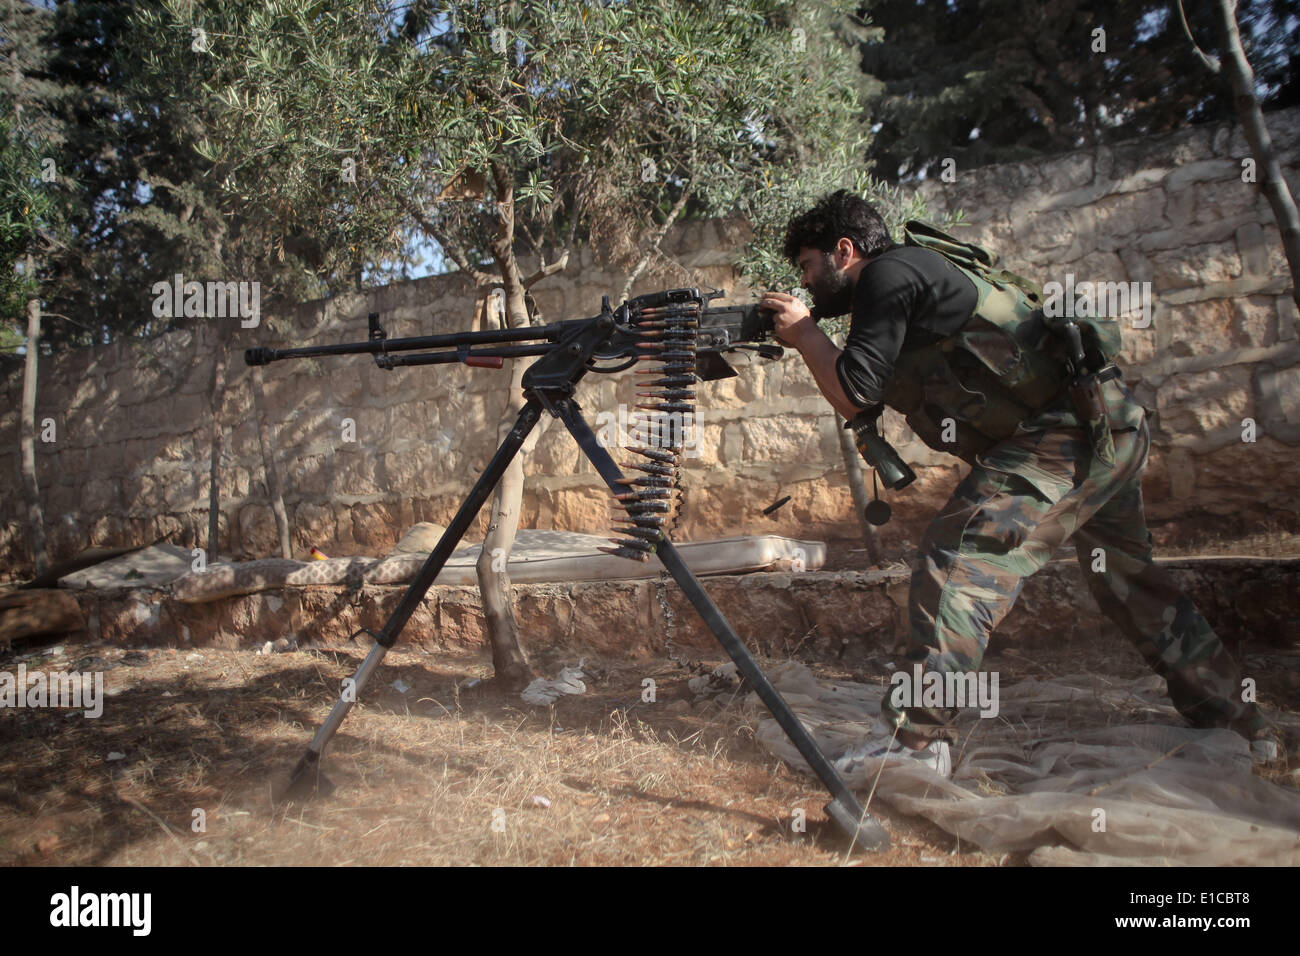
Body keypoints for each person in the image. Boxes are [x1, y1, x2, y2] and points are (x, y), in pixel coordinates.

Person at [759, 189, 1279, 779]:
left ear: (844, 251)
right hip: (1107, 426)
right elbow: (868, 388)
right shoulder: (912, 274)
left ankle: (915, 743)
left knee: (960, 556)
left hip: (1067, 432)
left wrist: (804, 334)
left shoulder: (887, 275)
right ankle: (1238, 722)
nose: (804, 282)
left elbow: (854, 388)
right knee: (1129, 579)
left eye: (806, 266)